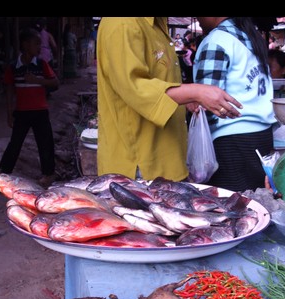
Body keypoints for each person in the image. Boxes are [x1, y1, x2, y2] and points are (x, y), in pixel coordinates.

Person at [96, 17, 242, 182]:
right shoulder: (121, 23)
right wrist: (195, 92)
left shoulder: (157, 26)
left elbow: (159, 82)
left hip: (168, 160)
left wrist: (186, 98)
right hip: (139, 168)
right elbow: (136, 88)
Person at [193, 17, 277, 192]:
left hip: (231, 143)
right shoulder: (251, 36)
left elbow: (208, 101)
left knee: (230, 209)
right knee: (254, 206)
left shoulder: (218, 40)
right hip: (262, 137)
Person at [0, 28, 59, 187]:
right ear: (25, 44)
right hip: (22, 112)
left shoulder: (41, 64)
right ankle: (3, 173)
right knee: (15, 143)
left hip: (40, 111)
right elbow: (10, 89)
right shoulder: (13, 67)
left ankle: (48, 174)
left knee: (45, 143)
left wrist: (38, 80)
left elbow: (55, 83)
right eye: (36, 43)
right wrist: (9, 113)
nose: (40, 47)